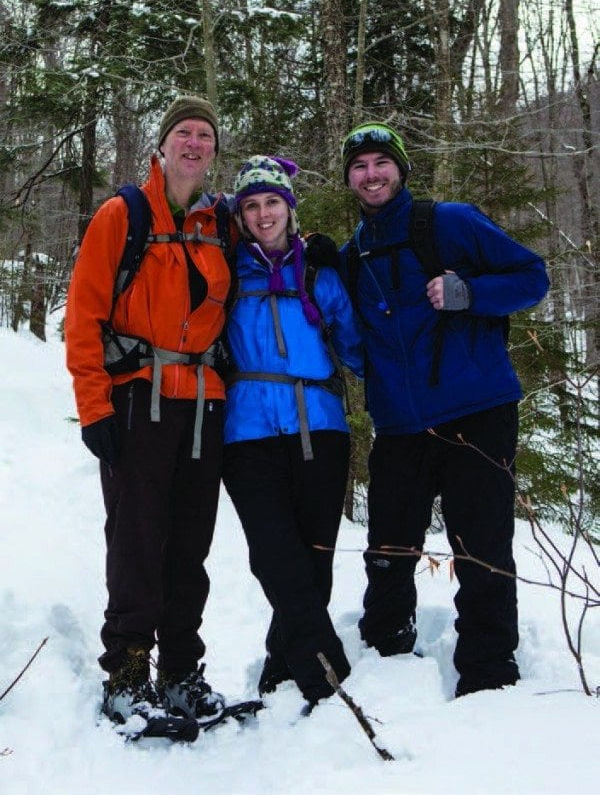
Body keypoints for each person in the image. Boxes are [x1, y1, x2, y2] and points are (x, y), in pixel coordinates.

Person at [339, 122, 549, 697]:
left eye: (381, 162)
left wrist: (470, 293)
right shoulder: (353, 255)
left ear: (401, 169)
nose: (371, 174)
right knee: (387, 548)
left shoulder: (449, 222)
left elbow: (534, 276)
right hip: (401, 425)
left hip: (477, 413)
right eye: (359, 166)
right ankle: (386, 652)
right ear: (349, 180)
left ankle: (488, 673)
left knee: (481, 548)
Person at [65, 95, 233, 724]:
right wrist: (94, 408)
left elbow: (269, 264)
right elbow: (83, 317)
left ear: (214, 151)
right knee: (137, 541)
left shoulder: (221, 224)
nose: (194, 143)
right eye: (184, 133)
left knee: (190, 547)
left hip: (205, 406)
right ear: (162, 146)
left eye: (205, 136)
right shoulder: (121, 214)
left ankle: (182, 673)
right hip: (139, 401)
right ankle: (128, 674)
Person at [221, 155, 363, 711]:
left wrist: (345, 272)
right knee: (272, 553)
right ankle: (323, 665)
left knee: (314, 554)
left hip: (321, 428)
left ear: (289, 207)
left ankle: (283, 667)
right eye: (251, 205)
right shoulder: (227, 272)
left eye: (272, 202)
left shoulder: (318, 274)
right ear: (241, 213)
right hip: (247, 430)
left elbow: (353, 344)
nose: (263, 213)